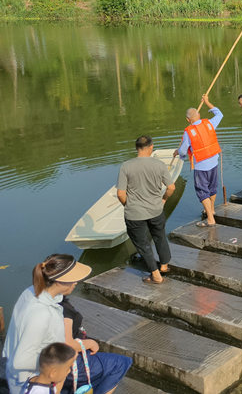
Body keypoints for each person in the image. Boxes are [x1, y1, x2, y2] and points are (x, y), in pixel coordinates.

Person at [3, 255, 131, 394]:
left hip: (33, 367)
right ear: (59, 281)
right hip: (34, 379)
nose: (76, 282)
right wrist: (65, 360)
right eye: (73, 279)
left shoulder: (31, 292)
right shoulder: (41, 314)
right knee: (119, 364)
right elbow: (20, 362)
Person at [118, 135, 175, 283]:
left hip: (135, 214)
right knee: (160, 236)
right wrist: (163, 199)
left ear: (136, 148)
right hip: (156, 210)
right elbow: (171, 187)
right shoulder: (159, 165)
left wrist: (128, 205)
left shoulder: (126, 166)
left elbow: (120, 193)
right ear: (151, 147)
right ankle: (163, 266)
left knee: (142, 244)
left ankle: (155, 275)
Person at [175, 93, 223, 225]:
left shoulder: (189, 132)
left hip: (201, 165)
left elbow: (183, 151)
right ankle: (211, 210)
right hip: (214, 161)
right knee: (212, 188)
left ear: (187, 119)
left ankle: (210, 219)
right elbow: (219, 114)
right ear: (199, 115)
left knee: (202, 191)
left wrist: (180, 155)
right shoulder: (209, 123)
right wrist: (207, 102)